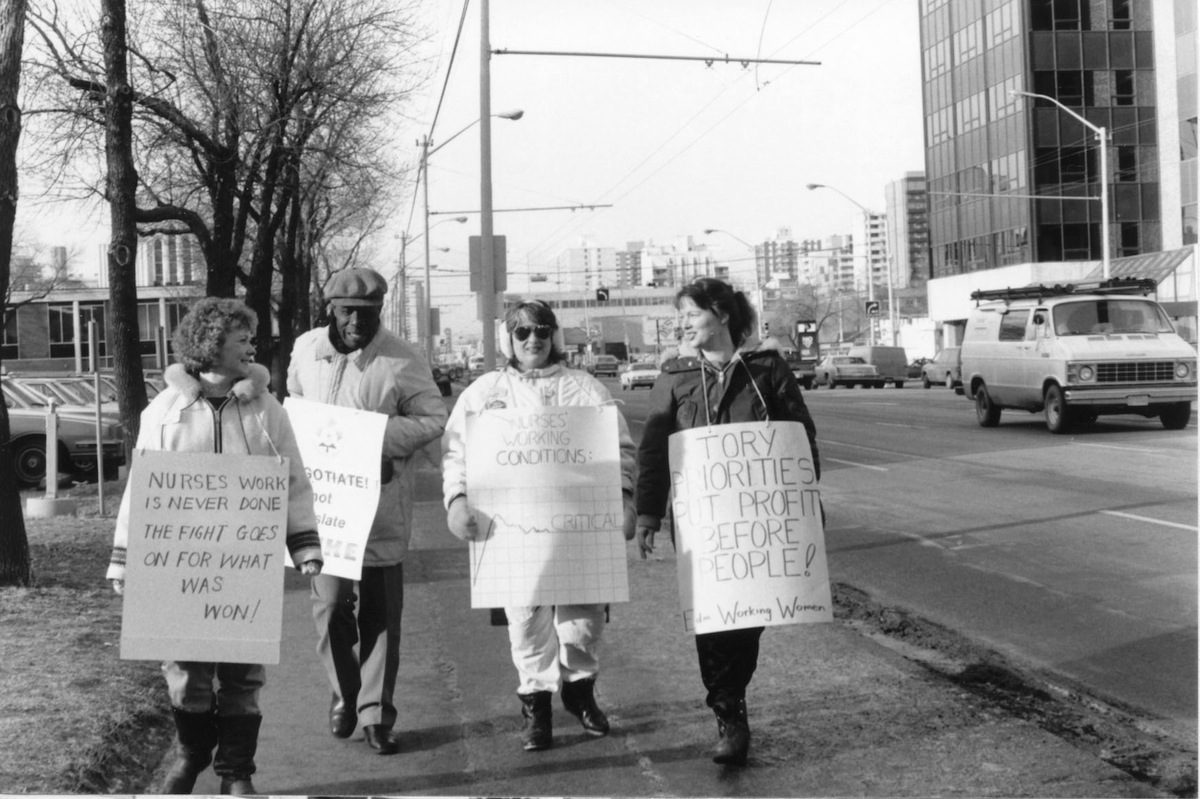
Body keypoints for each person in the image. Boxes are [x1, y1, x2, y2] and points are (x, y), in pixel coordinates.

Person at [106, 297, 324, 796]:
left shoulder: (267, 410)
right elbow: (145, 486)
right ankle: (191, 755)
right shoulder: (164, 410)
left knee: (243, 672)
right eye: (241, 337)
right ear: (211, 344)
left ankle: (237, 772)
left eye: (251, 337)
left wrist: (304, 542)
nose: (252, 344)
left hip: (246, 563)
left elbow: (291, 480)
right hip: (180, 564)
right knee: (186, 671)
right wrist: (125, 560)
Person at [634, 277, 821, 767]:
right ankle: (729, 715)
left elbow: (801, 439)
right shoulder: (675, 377)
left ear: (721, 314)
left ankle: (732, 698)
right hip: (702, 528)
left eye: (691, 313)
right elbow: (654, 451)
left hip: (759, 527)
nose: (683, 323)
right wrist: (649, 513)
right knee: (713, 621)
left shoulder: (767, 369)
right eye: (682, 316)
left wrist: (804, 502)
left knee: (749, 620)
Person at [441, 299, 637, 752]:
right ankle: (536, 706)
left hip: (578, 531)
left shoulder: (586, 389)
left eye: (542, 331)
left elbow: (620, 450)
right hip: (514, 534)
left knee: (582, 621)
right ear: (508, 339)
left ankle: (579, 689)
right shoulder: (485, 392)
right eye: (523, 332)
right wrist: (457, 502)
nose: (533, 340)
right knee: (527, 621)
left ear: (555, 337)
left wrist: (623, 498)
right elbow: (456, 452)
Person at [287, 267, 447, 755]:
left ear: (381, 310)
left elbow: (432, 418)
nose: (358, 321)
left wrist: (372, 436)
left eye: (369, 312)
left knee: (380, 613)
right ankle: (344, 692)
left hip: (380, 505)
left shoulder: (402, 358)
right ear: (331, 310)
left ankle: (377, 714)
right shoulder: (306, 350)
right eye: (348, 312)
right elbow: (293, 401)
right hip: (327, 508)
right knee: (331, 604)